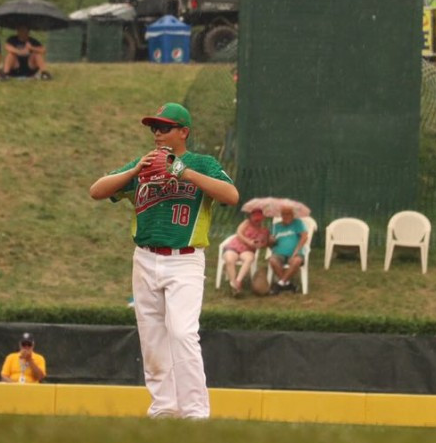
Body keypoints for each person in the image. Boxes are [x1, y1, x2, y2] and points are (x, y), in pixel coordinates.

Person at [88, 102, 239, 419]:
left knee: (182, 333)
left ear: (183, 132)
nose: (157, 133)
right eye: (154, 128)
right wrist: (133, 171)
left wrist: (182, 171)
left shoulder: (201, 162)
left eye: (164, 127)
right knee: (152, 336)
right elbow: (96, 191)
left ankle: (196, 412)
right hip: (145, 258)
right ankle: (164, 409)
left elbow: (230, 195)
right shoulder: (142, 165)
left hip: (184, 259)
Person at [222, 208, 268, 296]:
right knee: (229, 259)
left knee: (249, 258)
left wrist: (259, 244)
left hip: (248, 250)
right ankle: (234, 284)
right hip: (234, 246)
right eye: (255, 219)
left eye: (259, 219)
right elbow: (239, 233)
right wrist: (248, 241)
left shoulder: (263, 230)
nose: (257, 221)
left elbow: (263, 244)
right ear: (251, 217)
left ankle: (238, 281)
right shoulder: (246, 223)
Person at [267, 204, 308, 294]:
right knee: (272, 260)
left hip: (294, 253)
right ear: (281, 215)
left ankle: (279, 284)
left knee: (296, 261)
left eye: (289, 214)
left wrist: (296, 251)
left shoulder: (298, 223)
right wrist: (270, 241)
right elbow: (270, 245)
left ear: (293, 215)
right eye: (284, 214)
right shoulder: (275, 226)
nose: (286, 216)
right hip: (278, 253)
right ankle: (287, 284)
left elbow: (304, 237)